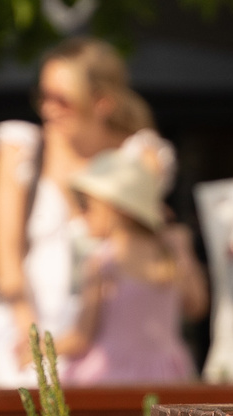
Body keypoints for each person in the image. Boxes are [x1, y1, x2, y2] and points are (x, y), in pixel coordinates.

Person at [0, 39, 202, 387]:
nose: (48, 108)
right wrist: (34, 339)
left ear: (102, 102)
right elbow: (6, 259)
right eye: (42, 95)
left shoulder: (138, 154)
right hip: (29, 328)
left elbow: (153, 249)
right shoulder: (22, 148)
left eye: (62, 99)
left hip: (113, 344)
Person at [53, 149, 203, 385]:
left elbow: (81, 337)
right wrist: (182, 252)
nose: (83, 215)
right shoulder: (168, 253)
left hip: (109, 374)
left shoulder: (100, 262)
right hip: (167, 375)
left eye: (87, 205)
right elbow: (197, 304)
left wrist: (42, 347)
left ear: (114, 207)